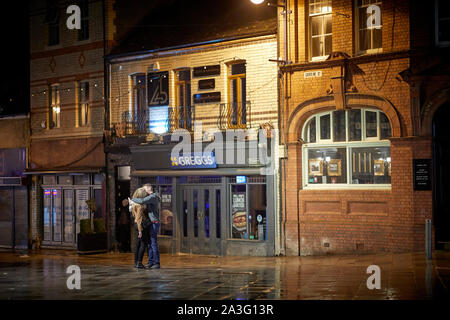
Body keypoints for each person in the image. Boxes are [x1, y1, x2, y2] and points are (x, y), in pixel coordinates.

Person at [129, 184, 161, 269]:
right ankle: (150, 262)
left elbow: (142, 200)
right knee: (149, 243)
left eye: (144, 189)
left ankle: (156, 262)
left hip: (154, 222)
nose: (144, 191)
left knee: (153, 243)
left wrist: (132, 200)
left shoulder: (153, 197)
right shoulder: (151, 197)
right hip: (150, 222)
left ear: (149, 188)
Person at [130, 187, 151, 269]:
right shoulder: (139, 206)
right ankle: (139, 262)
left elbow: (134, 217)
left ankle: (136, 263)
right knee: (143, 244)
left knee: (137, 245)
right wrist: (140, 231)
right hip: (140, 225)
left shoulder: (133, 203)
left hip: (136, 224)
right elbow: (139, 219)